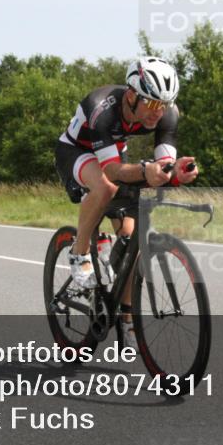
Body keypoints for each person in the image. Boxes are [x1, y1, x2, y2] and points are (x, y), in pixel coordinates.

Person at [54, 56, 198, 344]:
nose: (159, 112)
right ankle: (79, 252)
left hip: (112, 152)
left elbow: (164, 162)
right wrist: (147, 171)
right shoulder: (101, 108)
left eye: (165, 104)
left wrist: (175, 172)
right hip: (76, 151)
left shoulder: (167, 113)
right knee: (105, 187)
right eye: (153, 103)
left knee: (133, 237)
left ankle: (127, 316)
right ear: (132, 96)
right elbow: (111, 171)